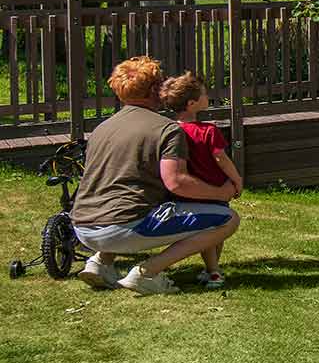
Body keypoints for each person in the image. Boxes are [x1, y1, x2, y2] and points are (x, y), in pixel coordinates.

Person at [69, 56, 241, 295]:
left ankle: (99, 263)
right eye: (159, 83)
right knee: (228, 219)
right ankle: (146, 272)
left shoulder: (102, 128)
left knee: (130, 203)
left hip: (83, 227)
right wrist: (222, 192)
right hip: (125, 228)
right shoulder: (166, 129)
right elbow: (177, 182)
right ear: (153, 90)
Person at [157, 72, 242, 288]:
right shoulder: (208, 131)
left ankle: (210, 269)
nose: (208, 96)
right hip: (213, 189)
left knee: (207, 231)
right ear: (192, 103)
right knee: (215, 231)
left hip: (188, 191)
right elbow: (220, 158)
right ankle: (214, 271)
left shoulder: (170, 131)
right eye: (204, 94)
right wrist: (236, 179)